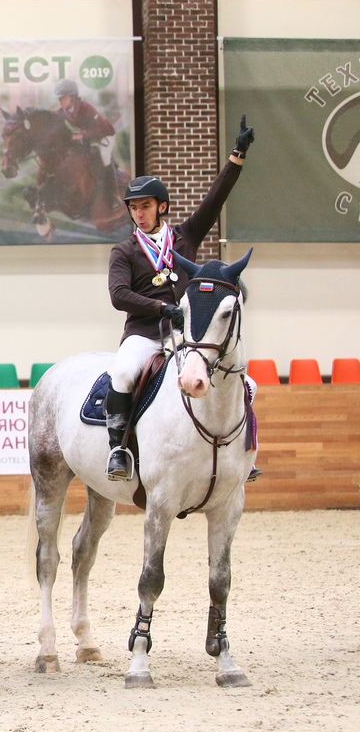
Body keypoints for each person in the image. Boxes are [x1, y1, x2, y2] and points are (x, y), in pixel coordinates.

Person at [104, 115, 257, 482]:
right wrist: (161, 308)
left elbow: (215, 199)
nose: (139, 214)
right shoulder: (124, 251)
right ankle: (118, 449)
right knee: (122, 372)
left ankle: (243, 453)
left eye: (145, 206)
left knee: (247, 383)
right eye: (134, 208)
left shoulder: (185, 236)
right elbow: (119, 295)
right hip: (144, 333)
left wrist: (236, 156)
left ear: (162, 207)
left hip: (187, 337)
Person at [54, 78, 117, 198]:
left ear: (73, 97)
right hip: (89, 137)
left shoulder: (86, 108)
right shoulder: (63, 111)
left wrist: (83, 134)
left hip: (105, 134)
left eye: (63, 97)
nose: (60, 101)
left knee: (104, 156)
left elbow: (99, 128)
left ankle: (112, 192)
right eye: (59, 98)